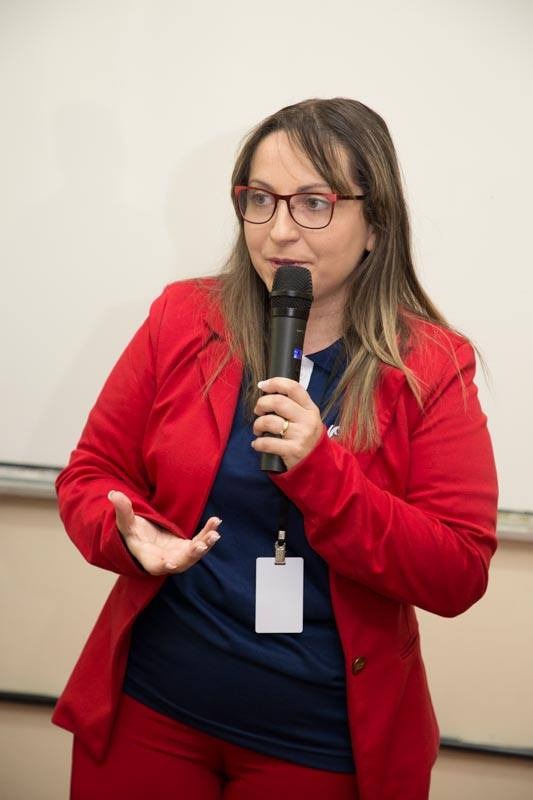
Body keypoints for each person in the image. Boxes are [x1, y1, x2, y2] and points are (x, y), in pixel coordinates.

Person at [53, 98, 498, 800]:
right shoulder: (183, 317)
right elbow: (91, 473)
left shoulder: (431, 366)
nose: (279, 230)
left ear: (375, 225)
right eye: (259, 199)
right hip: (153, 705)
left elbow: (457, 571)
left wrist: (322, 473)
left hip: (317, 741)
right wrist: (128, 534)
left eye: (314, 203)